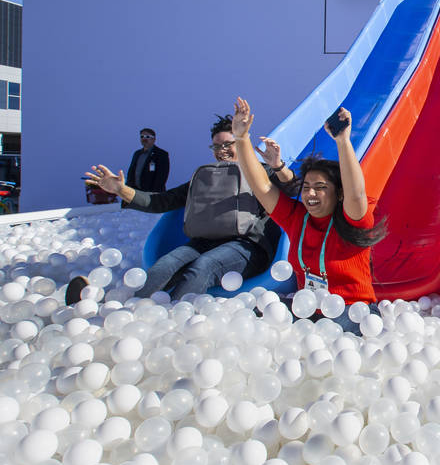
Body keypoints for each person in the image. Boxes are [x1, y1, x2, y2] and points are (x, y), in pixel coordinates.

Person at [79, 114, 294, 302]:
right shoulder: (203, 178)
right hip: (202, 243)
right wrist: (120, 190)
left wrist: (279, 166)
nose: (222, 151)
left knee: (203, 266)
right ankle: (125, 312)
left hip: (248, 247)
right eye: (217, 147)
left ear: (239, 142)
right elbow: (160, 201)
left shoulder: (261, 172)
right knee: (164, 266)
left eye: (228, 144)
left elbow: (292, 187)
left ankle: (171, 319)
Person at [231, 97, 386, 334]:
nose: (310, 193)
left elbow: (356, 193)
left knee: (326, 341)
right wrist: (241, 140)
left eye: (321, 187)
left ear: (338, 194)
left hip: (354, 311)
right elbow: (262, 187)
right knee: (251, 319)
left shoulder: (352, 219)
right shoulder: (298, 218)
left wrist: (343, 141)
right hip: (309, 309)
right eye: (306, 187)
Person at [125, 128, 170, 192]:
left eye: (147, 137)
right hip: (135, 193)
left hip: (152, 195)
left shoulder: (161, 154)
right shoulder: (137, 154)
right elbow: (131, 173)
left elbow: (161, 177)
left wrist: (153, 194)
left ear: (154, 139)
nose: (144, 139)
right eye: (142, 136)